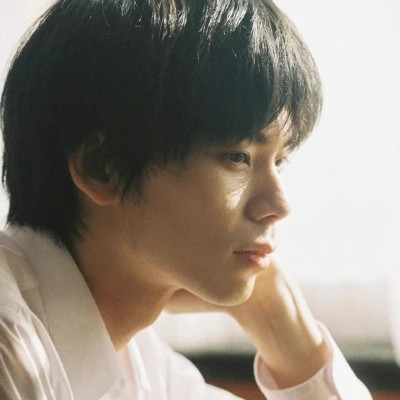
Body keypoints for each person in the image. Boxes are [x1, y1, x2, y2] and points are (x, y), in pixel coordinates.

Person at [0, 0, 372, 399]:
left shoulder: (143, 366)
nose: (280, 206)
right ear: (102, 168)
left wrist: (278, 314)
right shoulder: (10, 343)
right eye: (238, 157)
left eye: (279, 161)